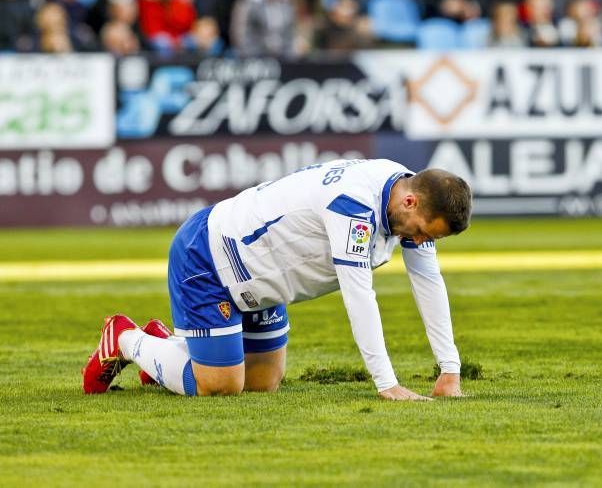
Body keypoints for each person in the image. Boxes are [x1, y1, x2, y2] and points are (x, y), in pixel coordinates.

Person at [82, 159, 472, 401]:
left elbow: (428, 281)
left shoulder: (407, 196)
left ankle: (168, 347)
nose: (419, 242)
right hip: (211, 256)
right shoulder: (354, 204)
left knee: (262, 383)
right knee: (220, 387)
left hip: (264, 284)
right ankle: (126, 339)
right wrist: (387, 384)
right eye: (422, 232)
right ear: (410, 203)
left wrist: (449, 369)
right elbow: (359, 297)